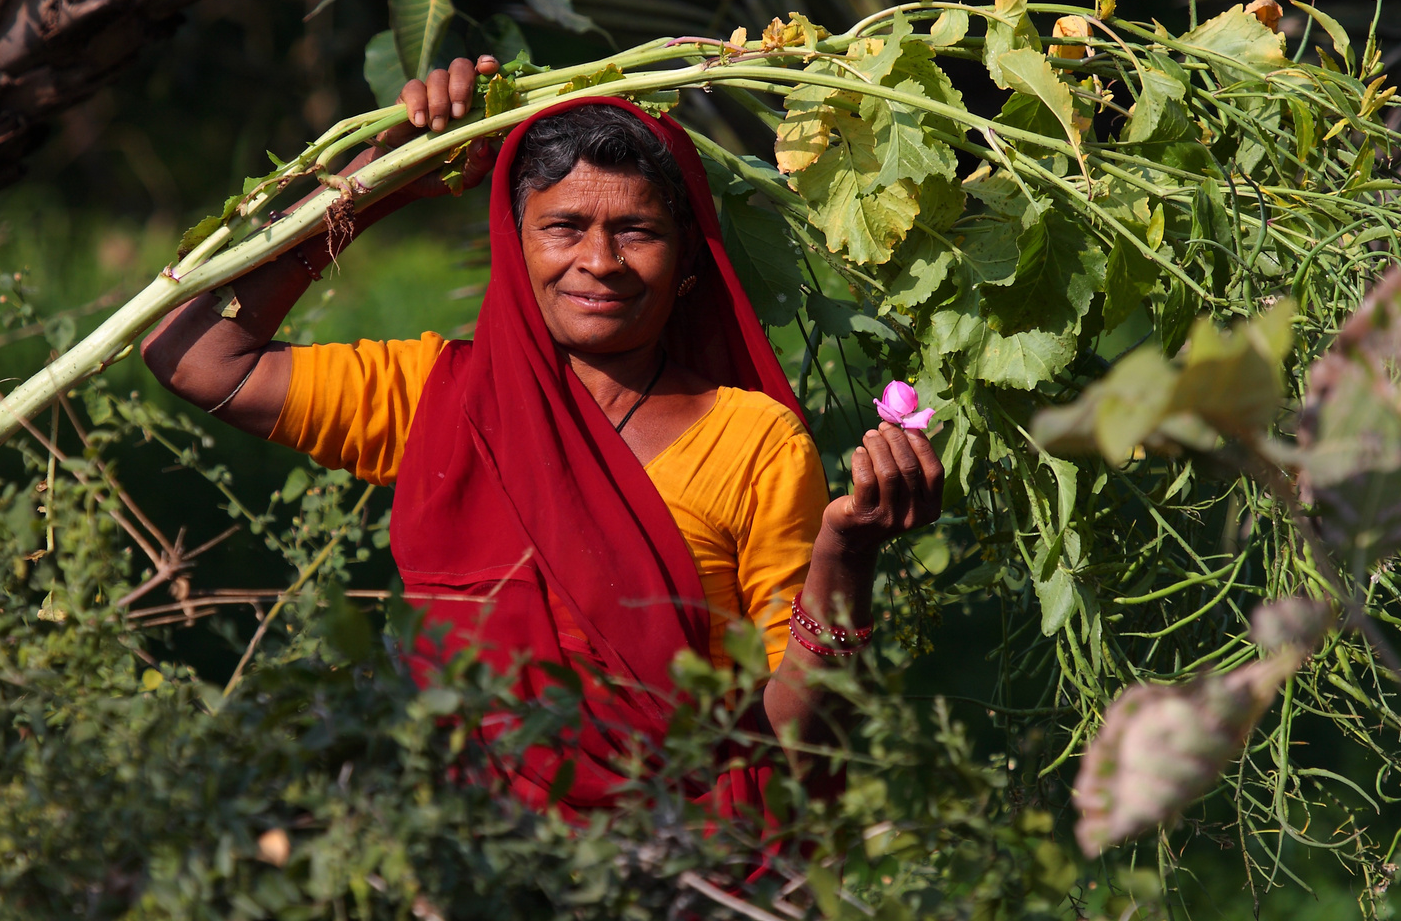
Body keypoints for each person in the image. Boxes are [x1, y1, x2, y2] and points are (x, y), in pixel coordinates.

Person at [142, 57, 944, 813]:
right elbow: (194, 355)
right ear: (513, 245)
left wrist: (846, 556)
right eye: (563, 227)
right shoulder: (440, 398)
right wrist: (378, 180)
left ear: (690, 264)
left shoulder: (751, 440)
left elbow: (802, 747)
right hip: (477, 861)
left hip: (675, 866)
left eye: (638, 231)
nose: (600, 261)